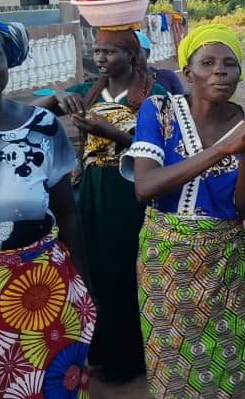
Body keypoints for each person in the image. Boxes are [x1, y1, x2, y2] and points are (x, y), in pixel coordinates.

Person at [120, 24, 245, 397]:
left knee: (237, 361)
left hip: (227, 264)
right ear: (189, 72)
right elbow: (145, 186)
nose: (220, 71)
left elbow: (244, 210)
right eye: (208, 63)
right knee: (174, 363)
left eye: (230, 64)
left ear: (239, 73)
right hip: (165, 264)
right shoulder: (159, 111)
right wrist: (223, 150)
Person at [35, 27, 166, 383]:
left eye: (110, 51)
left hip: (132, 191)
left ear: (131, 55)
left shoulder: (154, 94)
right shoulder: (88, 91)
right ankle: (102, 354)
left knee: (128, 268)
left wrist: (115, 135)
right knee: (96, 268)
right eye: (97, 51)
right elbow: (33, 110)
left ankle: (131, 360)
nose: (101, 58)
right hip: (93, 191)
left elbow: (167, 147)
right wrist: (59, 96)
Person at [0, 15, 97, 397]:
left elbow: (67, 213)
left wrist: (83, 282)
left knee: (51, 382)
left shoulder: (42, 125)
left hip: (44, 285)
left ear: (7, 61)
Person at [136, 30, 185, 95]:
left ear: (148, 53)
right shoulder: (123, 85)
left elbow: (181, 99)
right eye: (126, 52)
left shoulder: (167, 77)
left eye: (136, 51)